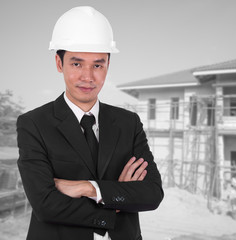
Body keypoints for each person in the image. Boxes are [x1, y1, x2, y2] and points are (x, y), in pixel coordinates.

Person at [17, 6, 164, 240]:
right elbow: (45, 204)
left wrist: (88, 188)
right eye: (76, 64)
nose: (88, 76)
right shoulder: (33, 124)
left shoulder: (128, 123)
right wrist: (115, 199)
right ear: (59, 63)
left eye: (98, 65)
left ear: (108, 65)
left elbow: (152, 193)